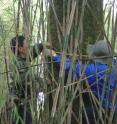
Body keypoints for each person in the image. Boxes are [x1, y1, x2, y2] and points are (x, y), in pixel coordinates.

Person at [49, 40, 117, 124]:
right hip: (114, 109)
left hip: (103, 111)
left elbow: (70, 67)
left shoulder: (95, 71)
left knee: (86, 114)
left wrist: (54, 55)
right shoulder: (115, 65)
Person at [9, 35, 50, 124]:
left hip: (25, 107)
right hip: (20, 108)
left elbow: (32, 52)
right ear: (20, 49)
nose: (29, 46)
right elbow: (29, 84)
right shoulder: (18, 65)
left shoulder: (23, 60)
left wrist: (42, 45)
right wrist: (45, 82)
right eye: (26, 44)